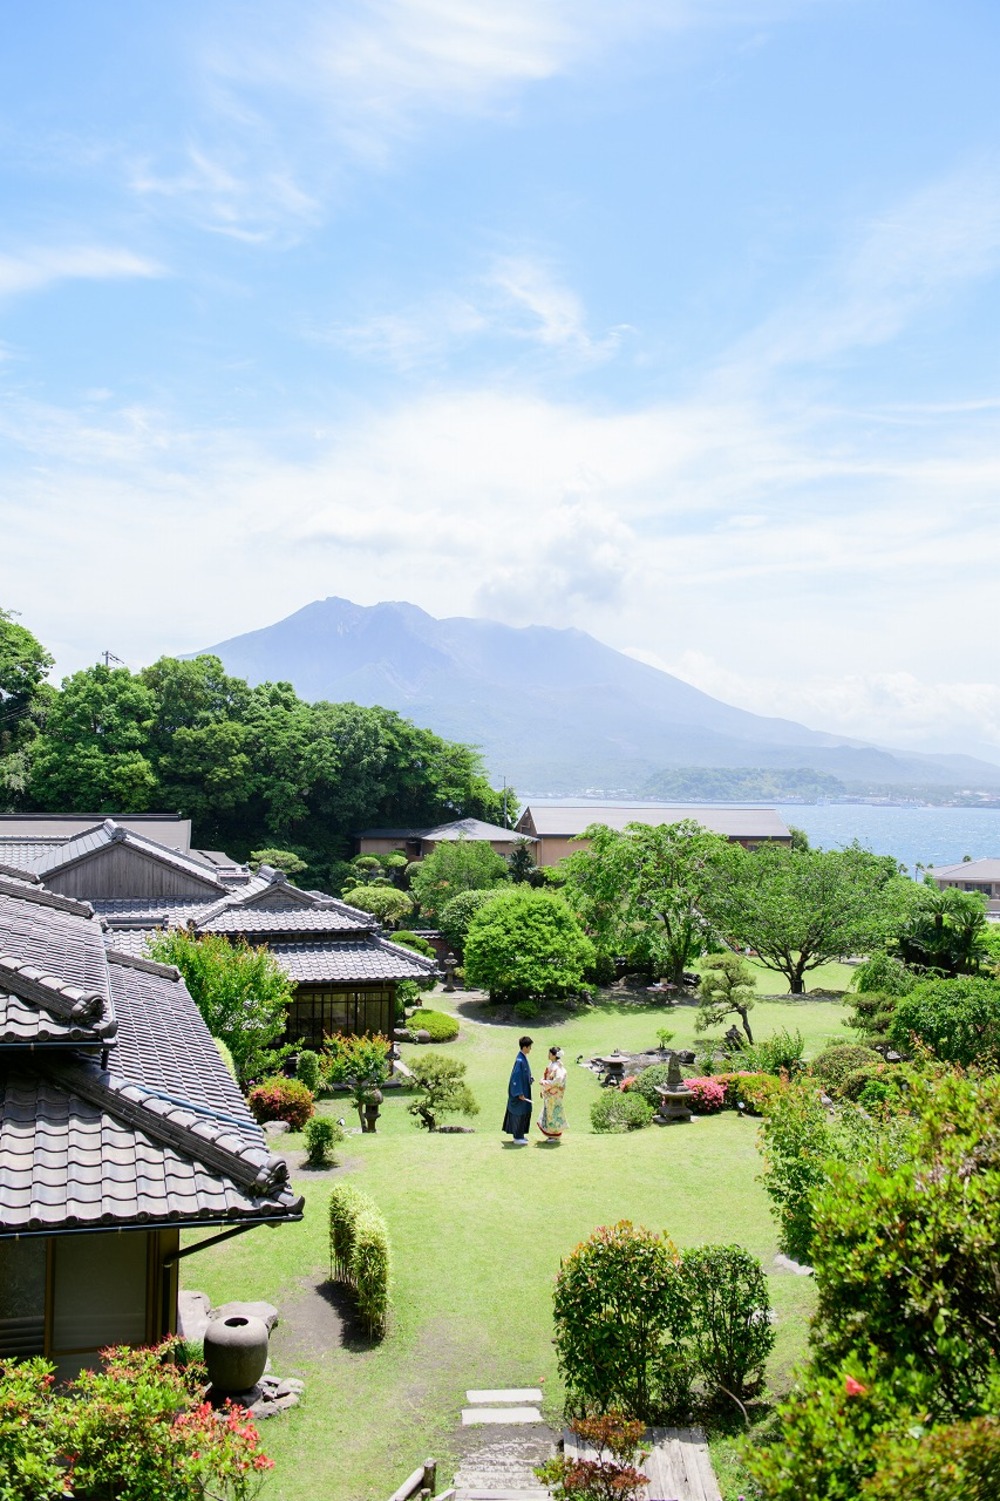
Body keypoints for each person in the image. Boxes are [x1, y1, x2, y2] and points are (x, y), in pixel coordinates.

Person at [503, 1035, 533, 1145]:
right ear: (525, 1047)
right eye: (529, 1047)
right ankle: (517, 1137)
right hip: (520, 1093)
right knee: (519, 1114)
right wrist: (519, 1093)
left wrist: (530, 1078)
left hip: (525, 1091)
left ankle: (521, 1135)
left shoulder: (523, 1058)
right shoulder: (520, 1060)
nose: (530, 1049)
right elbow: (515, 1077)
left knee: (524, 1113)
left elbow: (524, 1074)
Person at [538, 1046, 568, 1140]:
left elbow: (558, 1080)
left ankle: (554, 1135)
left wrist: (545, 1082)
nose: (548, 1055)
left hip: (554, 1094)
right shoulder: (553, 1065)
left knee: (553, 1113)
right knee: (550, 1113)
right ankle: (552, 1134)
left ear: (554, 1055)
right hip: (551, 1093)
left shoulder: (557, 1067)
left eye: (550, 1053)